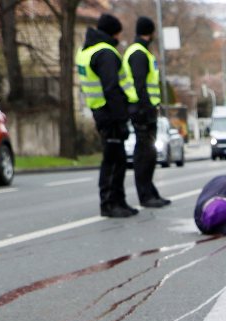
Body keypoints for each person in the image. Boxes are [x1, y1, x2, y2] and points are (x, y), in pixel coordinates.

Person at [77, 13, 136, 218]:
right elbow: (111, 88)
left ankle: (118, 201)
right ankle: (110, 203)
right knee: (113, 160)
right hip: (110, 113)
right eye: (118, 34)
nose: (119, 38)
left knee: (117, 158)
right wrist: (121, 118)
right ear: (113, 33)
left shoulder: (86, 50)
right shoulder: (106, 53)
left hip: (100, 111)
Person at [124, 17, 170, 209]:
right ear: (150, 33)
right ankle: (146, 195)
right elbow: (140, 84)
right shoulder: (138, 54)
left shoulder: (141, 52)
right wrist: (147, 108)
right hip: (142, 110)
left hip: (144, 109)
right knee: (145, 154)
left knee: (148, 154)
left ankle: (150, 192)